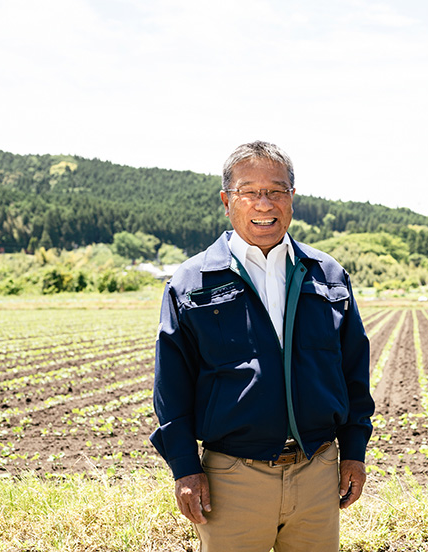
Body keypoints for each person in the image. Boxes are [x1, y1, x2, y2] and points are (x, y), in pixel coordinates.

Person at [150, 140, 374, 551]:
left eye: (275, 190)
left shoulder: (327, 275)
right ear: (226, 201)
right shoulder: (192, 282)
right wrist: (184, 468)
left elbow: (354, 372)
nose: (263, 203)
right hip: (232, 477)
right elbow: (171, 389)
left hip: (317, 470)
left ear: (292, 198)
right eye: (249, 191)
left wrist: (354, 452)